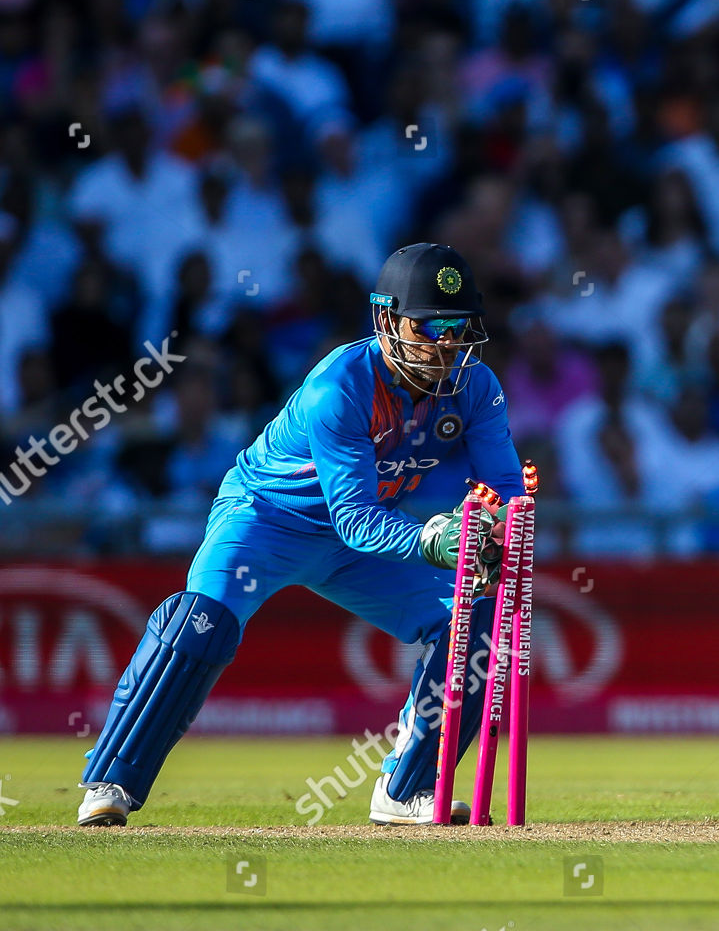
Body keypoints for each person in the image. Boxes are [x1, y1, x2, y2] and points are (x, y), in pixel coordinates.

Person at [77, 244, 524, 826]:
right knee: (200, 626)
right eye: (430, 326)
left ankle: (407, 789)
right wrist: (435, 541)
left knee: (483, 627)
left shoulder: (477, 387)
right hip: (267, 521)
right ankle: (110, 782)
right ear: (386, 320)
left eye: (458, 328)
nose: (446, 344)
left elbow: (508, 490)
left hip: (361, 542)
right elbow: (355, 519)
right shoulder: (338, 387)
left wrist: (502, 534)